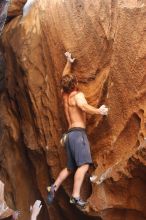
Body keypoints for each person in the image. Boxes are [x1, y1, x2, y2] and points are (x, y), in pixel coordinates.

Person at [47, 52, 108, 208]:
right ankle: (75, 196)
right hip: (78, 135)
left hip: (68, 136)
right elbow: (84, 107)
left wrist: (68, 62)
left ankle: (54, 186)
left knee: (70, 167)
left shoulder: (64, 96)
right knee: (84, 165)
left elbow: (64, 77)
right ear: (74, 84)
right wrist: (99, 111)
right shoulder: (77, 95)